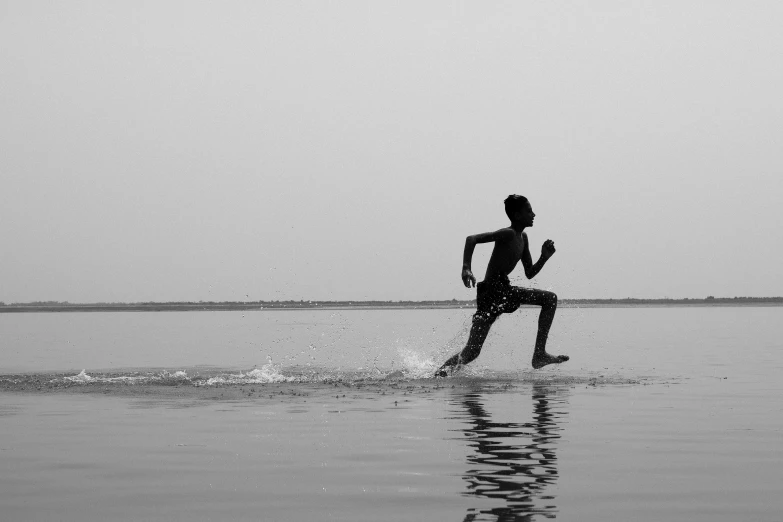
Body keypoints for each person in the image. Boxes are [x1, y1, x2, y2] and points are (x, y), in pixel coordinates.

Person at [435, 195, 569, 377]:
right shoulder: (508, 234)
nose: (533, 214)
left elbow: (529, 273)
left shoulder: (524, 238)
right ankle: (437, 375)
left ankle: (539, 353)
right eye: (529, 210)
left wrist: (544, 257)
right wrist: (466, 268)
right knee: (471, 352)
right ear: (516, 214)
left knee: (549, 299)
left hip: (503, 291)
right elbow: (471, 239)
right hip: (492, 291)